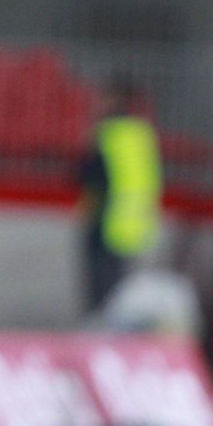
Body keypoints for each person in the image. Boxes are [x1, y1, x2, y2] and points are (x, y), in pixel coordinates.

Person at [76, 75, 162, 314]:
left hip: (106, 217)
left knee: (103, 290)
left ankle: (104, 332)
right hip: (136, 220)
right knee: (125, 287)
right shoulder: (141, 133)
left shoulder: (106, 133)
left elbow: (87, 175)